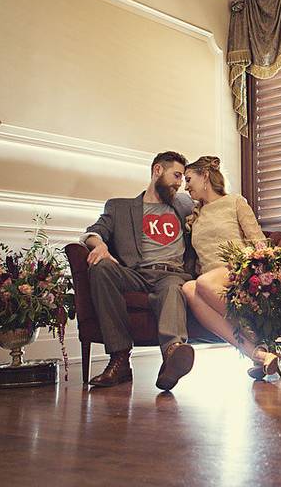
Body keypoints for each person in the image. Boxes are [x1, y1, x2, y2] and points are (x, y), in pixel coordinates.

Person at [80, 151, 196, 390]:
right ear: (157, 170)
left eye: (183, 178)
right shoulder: (120, 207)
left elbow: (213, 206)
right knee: (100, 267)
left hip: (172, 274)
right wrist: (100, 245)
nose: (179, 183)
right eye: (176, 175)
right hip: (136, 274)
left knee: (173, 288)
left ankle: (173, 355)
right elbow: (92, 232)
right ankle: (120, 359)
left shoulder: (183, 204)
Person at [181, 155, 280, 380]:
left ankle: (257, 336)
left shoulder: (235, 202)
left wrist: (265, 272)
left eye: (189, 179)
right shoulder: (194, 217)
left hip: (236, 268)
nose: (186, 187)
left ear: (204, 176)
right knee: (188, 288)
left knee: (203, 283)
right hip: (210, 279)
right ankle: (258, 353)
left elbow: (258, 241)